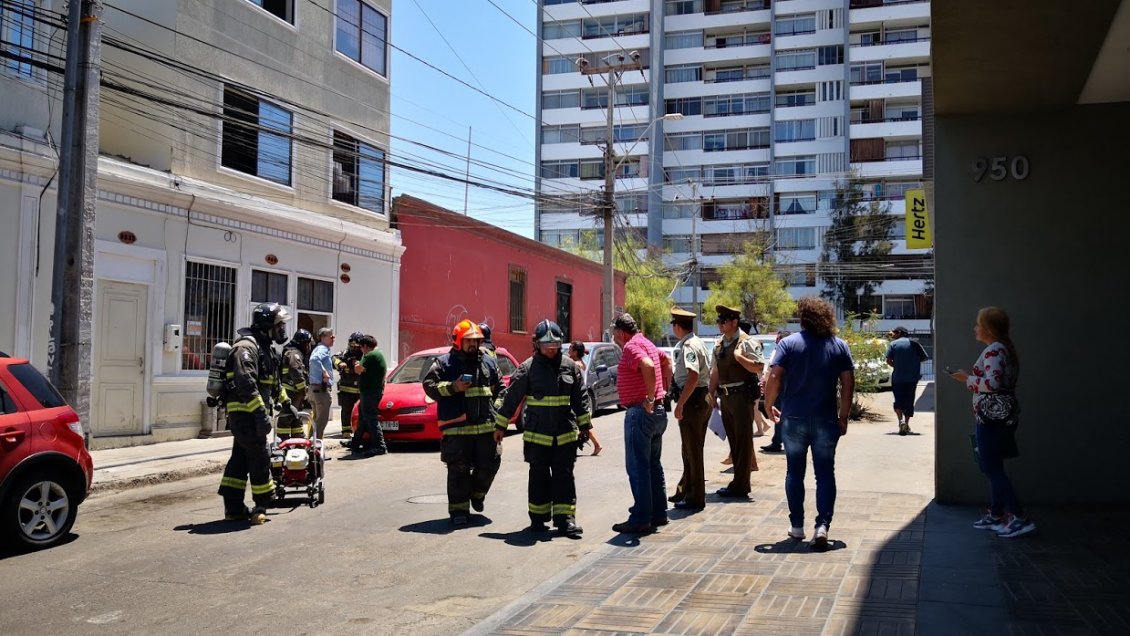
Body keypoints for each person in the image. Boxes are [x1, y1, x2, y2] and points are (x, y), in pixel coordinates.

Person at [763, 297, 854, 550]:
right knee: (825, 473)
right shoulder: (839, 346)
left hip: (794, 419)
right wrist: (843, 415)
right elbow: (848, 383)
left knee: (794, 473)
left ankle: (797, 526)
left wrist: (768, 404)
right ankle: (822, 526)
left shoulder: (789, 344)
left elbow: (774, 375)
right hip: (826, 419)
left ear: (803, 318)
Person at [495, 320, 592, 537]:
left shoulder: (570, 367)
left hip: (565, 436)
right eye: (546, 344)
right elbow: (511, 399)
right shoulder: (527, 368)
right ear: (536, 344)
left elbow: (581, 399)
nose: (551, 348)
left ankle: (566, 520)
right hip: (537, 437)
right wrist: (500, 426)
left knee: (564, 478)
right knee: (538, 478)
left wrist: (585, 425)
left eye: (555, 344)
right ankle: (538, 521)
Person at [947, 307, 1034, 539]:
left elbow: (992, 384)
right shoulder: (1004, 349)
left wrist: (967, 378)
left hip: (991, 419)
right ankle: (996, 514)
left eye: (978, 324)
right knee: (994, 466)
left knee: (990, 467)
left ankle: (1018, 516)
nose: (975, 328)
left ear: (988, 328)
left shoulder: (994, 350)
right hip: (1000, 418)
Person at [217, 302, 298, 525]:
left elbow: (272, 382)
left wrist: (286, 403)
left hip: (252, 414)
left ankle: (233, 507)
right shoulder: (246, 347)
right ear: (266, 325)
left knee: (240, 459)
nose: (282, 329)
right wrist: (260, 415)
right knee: (259, 458)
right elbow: (245, 384)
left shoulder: (265, 347)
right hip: (245, 414)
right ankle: (261, 505)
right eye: (279, 324)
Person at [423, 320, 503, 527]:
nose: (473, 345)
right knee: (458, 469)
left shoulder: (489, 361)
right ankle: (459, 511)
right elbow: (429, 386)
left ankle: (477, 494)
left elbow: (501, 388)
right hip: (457, 427)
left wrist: (498, 408)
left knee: (491, 463)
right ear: (458, 341)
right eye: (469, 341)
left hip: (486, 426)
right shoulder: (444, 363)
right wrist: (453, 387)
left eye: (476, 341)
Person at [609, 313, 667, 534]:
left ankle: (641, 518)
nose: (613, 337)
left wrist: (651, 398)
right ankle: (658, 513)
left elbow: (648, 365)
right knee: (653, 464)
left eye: (614, 332)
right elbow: (665, 361)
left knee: (637, 466)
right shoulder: (646, 342)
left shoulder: (632, 347)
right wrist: (662, 393)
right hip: (657, 412)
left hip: (641, 412)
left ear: (622, 331)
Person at [707, 305, 763, 498]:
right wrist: (711, 393)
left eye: (723, 321)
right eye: (719, 321)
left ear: (734, 322)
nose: (720, 325)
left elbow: (758, 366)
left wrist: (740, 358)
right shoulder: (720, 344)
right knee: (734, 441)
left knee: (743, 441)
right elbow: (715, 371)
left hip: (741, 396)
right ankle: (738, 482)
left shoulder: (746, 342)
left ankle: (742, 484)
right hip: (726, 397)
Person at [668, 307, 712, 512]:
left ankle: (695, 497)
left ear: (678, 326)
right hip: (700, 399)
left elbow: (693, 376)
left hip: (693, 402)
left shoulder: (688, 346)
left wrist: (680, 404)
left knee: (692, 451)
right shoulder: (697, 342)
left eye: (673, 325)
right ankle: (686, 489)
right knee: (690, 449)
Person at [347, 334, 389, 457]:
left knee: (370, 417)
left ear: (365, 346)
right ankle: (355, 443)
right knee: (363, 418)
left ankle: (380, 446)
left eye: (361, 347)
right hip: (372, 391)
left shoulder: (370, 355)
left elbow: (358, 369)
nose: (360, 349)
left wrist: (356, 364)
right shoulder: (378, 354)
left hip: (370, 392)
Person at [886, 326, 930, 435]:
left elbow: (888, 360)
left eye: (895, 333)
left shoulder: (893, 344)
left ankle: (900, 421)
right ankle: (906, 423)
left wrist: (897, 365)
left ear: (900, 333)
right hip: (912, 378)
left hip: (898, 378)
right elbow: (925, 358)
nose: (893, 335)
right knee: (909, 401)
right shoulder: (915, 344)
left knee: (898, 400)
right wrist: (913, 362)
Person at [567, 341, 602, 456]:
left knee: (583, 424)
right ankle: (596, 445)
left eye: (571, 348)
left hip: (580, 397)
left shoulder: (577, 364)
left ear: (576, 352)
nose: (569, 349)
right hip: (578, 396)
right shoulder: (580, 363)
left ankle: (596, 445)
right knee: (583, 424)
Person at [276, 328, 312, 440]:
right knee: (286, 417)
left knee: (296, 416)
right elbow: (295, 370)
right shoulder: (293, 353)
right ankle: (283, 440)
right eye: (307, 344)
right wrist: (303, 389)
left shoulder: (295, 352)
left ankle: (299, 440)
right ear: (302, 343)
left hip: (294, 391)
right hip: (291, 391)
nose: (308, 347)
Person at [760, 330, 791, 454]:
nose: (776, 341)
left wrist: (766, 384)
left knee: (777, 414)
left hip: (779, 386)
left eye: (777, 339)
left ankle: (777, 442)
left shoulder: (779, 350)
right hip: (791, 386)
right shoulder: (793, 350)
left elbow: (771, 371)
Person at [333, 331, 365, 439]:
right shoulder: (345, 353)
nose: (354, 348)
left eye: (357, 346)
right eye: (352, 345)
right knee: (346, 410)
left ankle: (360, 431)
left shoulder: (365, 355)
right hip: (346, 389)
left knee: (362, 412)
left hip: (361, 389)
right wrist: (339, 364)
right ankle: (346, 431)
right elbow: (333, 358)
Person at [307, 328, 335, 440]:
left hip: (315, 389)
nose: (333, 339)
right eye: (331, 337)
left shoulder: (320, 348)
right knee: (321, 420)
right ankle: (316, 447)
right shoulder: (322, 349)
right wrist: (324, 372)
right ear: (322, 338)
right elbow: (314, 359)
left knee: (316, 420)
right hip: (321, 390)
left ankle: (311, 445)